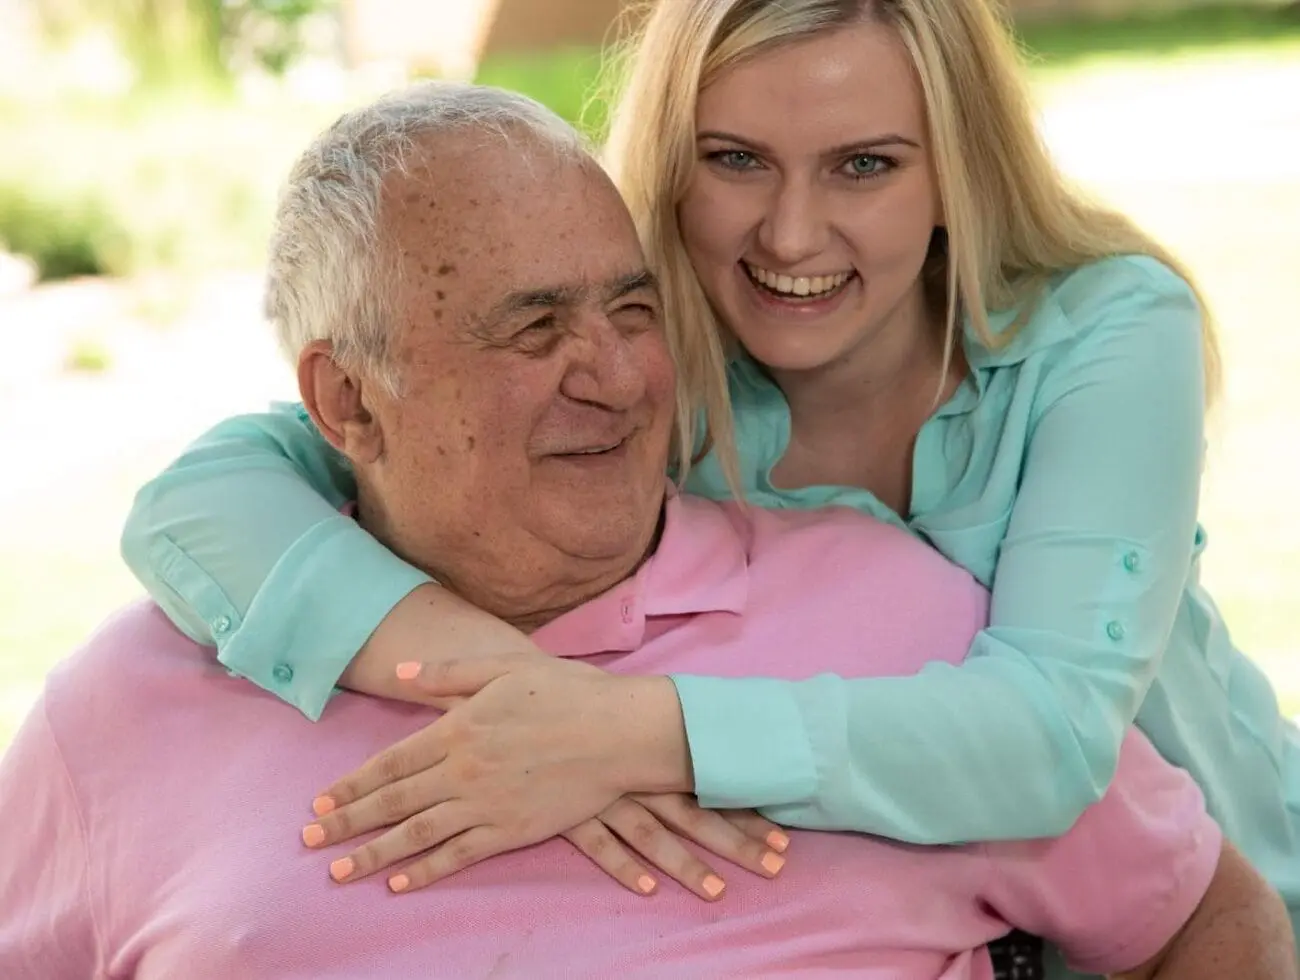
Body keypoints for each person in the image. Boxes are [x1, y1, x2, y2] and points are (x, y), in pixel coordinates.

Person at [1, 81, 1291, 980]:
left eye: (631, 312)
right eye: (533, 330)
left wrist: (637, 734)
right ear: (348, 403)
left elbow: (1198, 911)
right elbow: (201, 492)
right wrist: (505, 682)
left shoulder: (922, 622)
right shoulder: (123, 708)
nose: (617, 380)